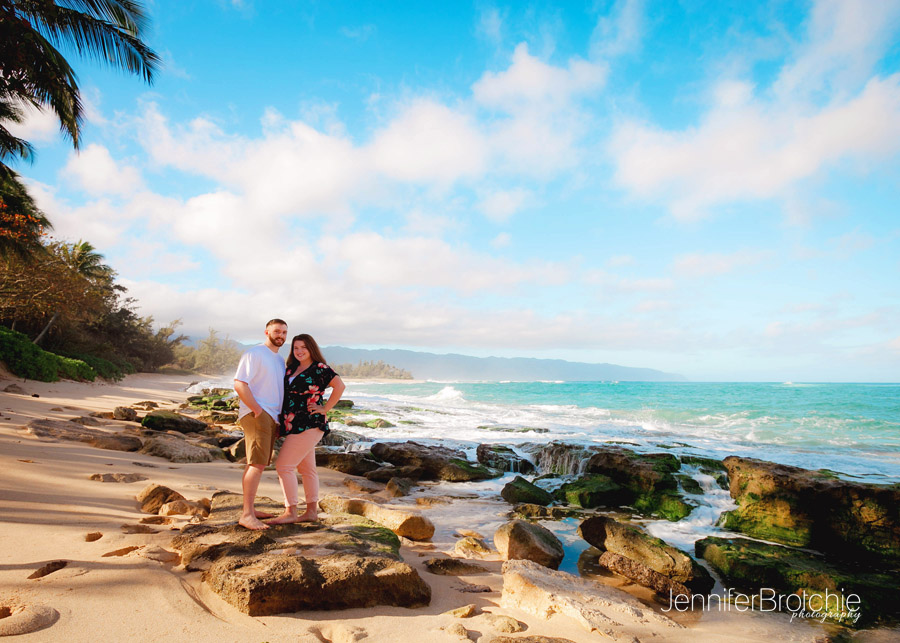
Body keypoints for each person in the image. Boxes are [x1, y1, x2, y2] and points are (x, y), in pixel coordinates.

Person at [267, 333, 345, 524]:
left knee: (283, 467)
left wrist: (325, 408)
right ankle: (311, 512)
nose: (299, 351)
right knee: (307, 469)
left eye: (303, 347)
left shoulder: (320, 368)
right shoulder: (290, 369)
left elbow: (340, 386)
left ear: (311, 349)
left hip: (310, 423)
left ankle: (291, 512)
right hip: (293, 424)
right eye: (296, 348)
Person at [233, 318, 288, 530]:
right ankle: (247, 515)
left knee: (255, 463)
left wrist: (278, 418)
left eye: (284, 332)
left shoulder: (279, 360)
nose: (281, 335)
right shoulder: (255, 353)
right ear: (267, 332)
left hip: (271, 415)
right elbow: (239, 383)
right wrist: (257, 410)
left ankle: (250, 509)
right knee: (257, 463)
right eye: (277, 331)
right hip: (258, 413)